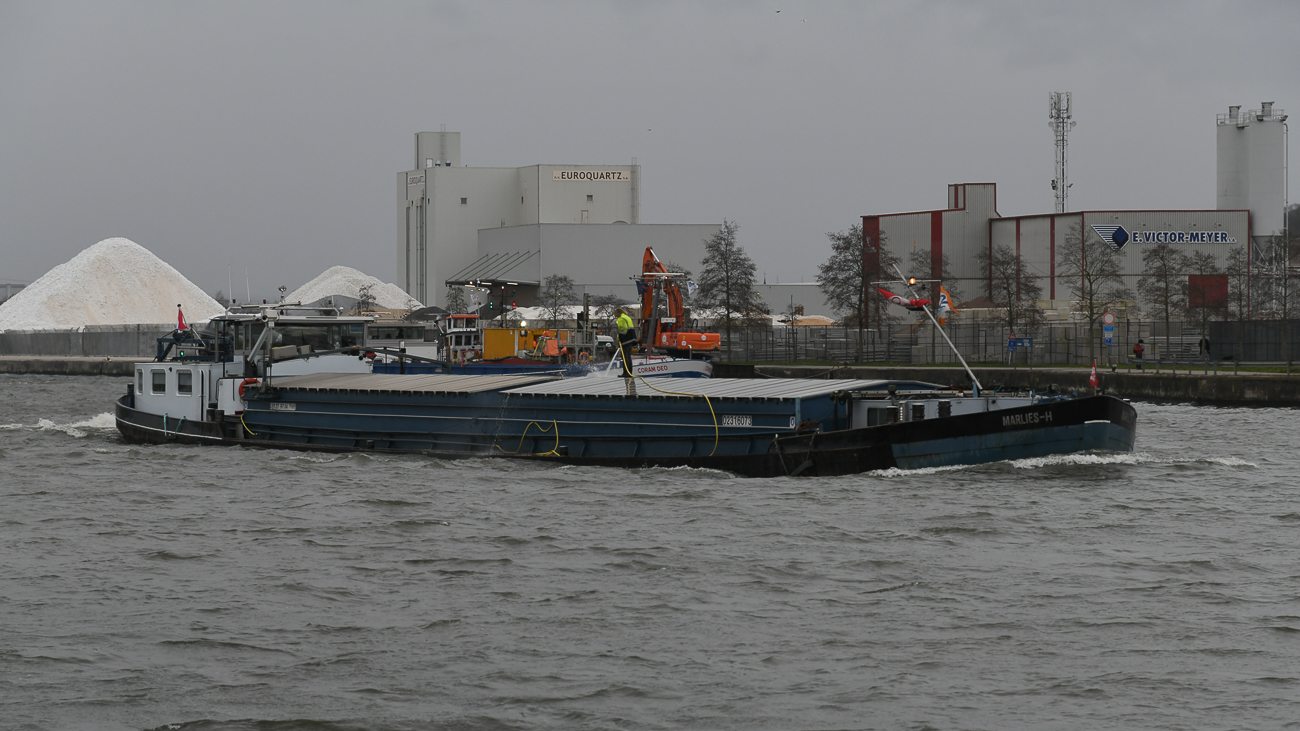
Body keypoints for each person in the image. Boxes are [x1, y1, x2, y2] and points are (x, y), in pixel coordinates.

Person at [614, 307, 637, 377]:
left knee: (625, 357)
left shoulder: (621, 318)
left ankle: (626, 373)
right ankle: (629, 372)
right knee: (628, 357)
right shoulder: (627, 317)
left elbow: (623, 329)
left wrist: (621, 337)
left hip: (626, 339)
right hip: (631, 338)